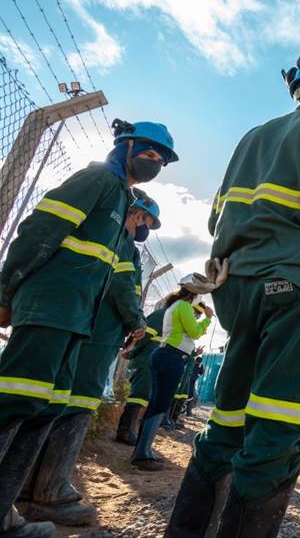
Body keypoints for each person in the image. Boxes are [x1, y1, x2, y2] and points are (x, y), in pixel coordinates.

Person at [166, 49, 300, 538]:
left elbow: (216, 218)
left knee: (228, 421)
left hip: (237, 290)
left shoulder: (251, 139)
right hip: (298, 285)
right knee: (277, 426)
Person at [0, 118, 176, 536]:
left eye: (162, 159)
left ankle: (6, 509)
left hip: (75, 319)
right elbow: (39, 230)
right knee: (13, 401)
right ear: (126, 145)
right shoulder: (97, 179)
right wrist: (5, 293)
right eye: (149, 152)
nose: (155, 162)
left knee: (44, 407)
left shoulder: (118, 201)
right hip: (51, 308)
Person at [15, 193, 159, 527]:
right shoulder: (122, 243)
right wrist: (137, 321)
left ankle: (32, 487)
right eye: (147, 223)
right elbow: (124, 286)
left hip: (91, 327)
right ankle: (48, 492)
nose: (145, 230)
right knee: (78, 401)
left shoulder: (112, 238)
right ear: (137, 215)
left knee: (62, 400)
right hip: (99, 331)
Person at [131, 281, 213, 470]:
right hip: (172, 356)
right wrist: (207, 319)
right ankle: (142, 454)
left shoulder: (175, 305)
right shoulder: (183, 307)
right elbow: (194, 332)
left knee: (156, 403)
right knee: (160, 404)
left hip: (165, 354)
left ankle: (143, 451)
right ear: (194, 295)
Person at [116, 304, 167, 444]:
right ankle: (125, 431)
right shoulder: (162, 314)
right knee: (138, 395)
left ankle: (130, 430)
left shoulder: (170, 316)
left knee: (143, 396)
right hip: (146, 361)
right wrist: (131, 352)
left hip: (152, 363)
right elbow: (144, 338)